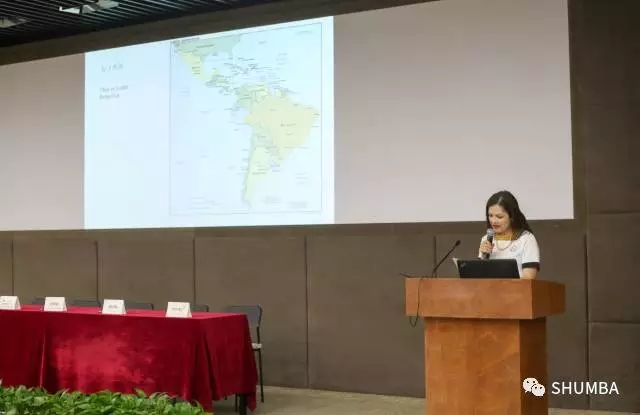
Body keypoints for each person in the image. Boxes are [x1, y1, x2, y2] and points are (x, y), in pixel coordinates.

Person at [478, 190, 540, 279]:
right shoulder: (486, 239)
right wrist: (483, 258)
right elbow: (479, 278)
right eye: (490, 216)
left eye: (499, 217)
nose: (493, 221)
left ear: (511, 217)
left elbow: (528, 278)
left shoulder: (526, 239)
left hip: (515, 288)